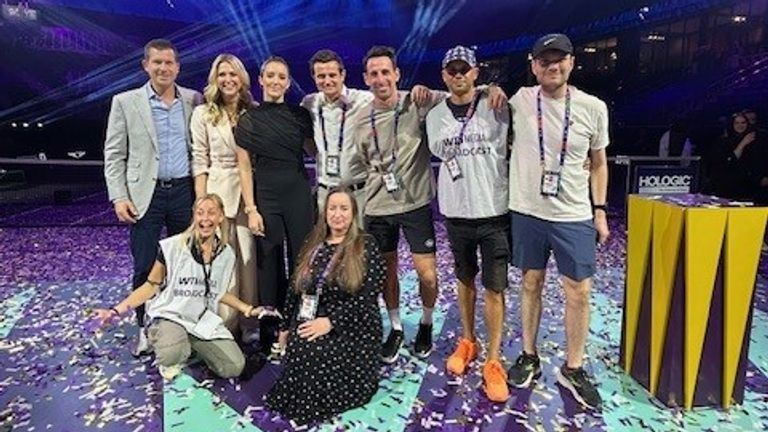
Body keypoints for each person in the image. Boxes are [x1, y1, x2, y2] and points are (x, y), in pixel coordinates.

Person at [506, 33, 609, 410]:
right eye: (544, 60)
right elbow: (471, 95)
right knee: (531, 283)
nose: (553, 65)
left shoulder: (593, 107)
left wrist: (599, 211)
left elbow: (598, 163)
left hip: (574, 214)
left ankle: (574, 366)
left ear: (572, 62)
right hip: (528, 211)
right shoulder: (517, 100)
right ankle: (529, 354)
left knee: (578, 292)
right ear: (533, 65)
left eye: (560, 58)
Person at [92, 194, 278, 380]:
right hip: (171, 315)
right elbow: (150, 286)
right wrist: (115, 311)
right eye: (200, 213)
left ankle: (191, 345)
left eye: (211, 213)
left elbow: (218, 292)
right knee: (171, 354)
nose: (205, 219)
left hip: (200, 321)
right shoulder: (173, 247)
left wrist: (249, 309)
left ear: (221, 217)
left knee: (233, 367)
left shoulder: (226, 254)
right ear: (194, 216)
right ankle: (168, 341)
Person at [103, 38, 200, 357]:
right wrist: (119, 197)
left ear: (178, 66)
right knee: (145, 266)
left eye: (169, 62)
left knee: (185, 265)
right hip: (145, 196)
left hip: (184, 193)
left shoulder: (193, 99)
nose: (163, 68)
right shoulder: (125, 102)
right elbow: (114, 154)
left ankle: (182, 327)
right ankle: (146, 328)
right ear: (145, 65)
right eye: (157, 62)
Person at [425, 45, 511, 402]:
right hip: (457, 212)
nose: (459, 75)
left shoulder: (499, 106)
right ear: (444, 75)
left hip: (493, 212)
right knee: (464, 280)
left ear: (476, 72)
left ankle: (493, 360)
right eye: (452, 70)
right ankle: (468, 341)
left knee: (494, 288)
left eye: (465, 69)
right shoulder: (433, 116)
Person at [265, 187, 385, 425]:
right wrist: (285, 326)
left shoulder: (366, 245)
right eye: (332, 208)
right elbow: (295, 286)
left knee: (316, 352)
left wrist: (331, 323)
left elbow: (367, 298)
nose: (337, 214)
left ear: (353, 213)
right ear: (324, 212)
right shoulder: (313, 242)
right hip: (316, 313)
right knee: (300, 343)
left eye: (344, 208)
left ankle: (317, 402)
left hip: (354, 323)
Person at [234, 56, 315, 356]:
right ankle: (272, 326)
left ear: (288, 81)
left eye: (282, 77)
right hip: (265, 195)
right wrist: (251, 208)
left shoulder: (300, 116)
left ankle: (299, 322)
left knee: (301, 259)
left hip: (297, 192)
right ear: (261, 80)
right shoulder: (248, 119)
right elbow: (244, 167)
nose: (276, 81)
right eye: (271, 76)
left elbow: (316, 151)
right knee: (268, 261)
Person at [300, 49, 432, 221]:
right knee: (328, 245)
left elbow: (392, 97)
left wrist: (417, 90)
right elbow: (306, 139)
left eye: (332, 75)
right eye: (321, 76)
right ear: (314, 78)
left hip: (359, 192)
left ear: (343, 75)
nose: (327, 81)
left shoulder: (364, 99)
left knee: (361, 245)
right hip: (326, 193)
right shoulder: (309, 103)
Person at [191, 54, 258, 335]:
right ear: (215, 80)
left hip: (251, 195)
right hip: (217, 194)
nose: (228, 80)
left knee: (249, 260)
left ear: (242, 78)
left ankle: (250, 321)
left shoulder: (254, 111)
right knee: (222, 262)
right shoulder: (203, 114)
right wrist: (203, 206)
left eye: (233, 74)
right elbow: (199, 159)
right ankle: (225, 324)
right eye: (222, 75)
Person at [703, 112, 756, 199]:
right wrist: (743, 144)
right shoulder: (722, 142)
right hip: (726, 184)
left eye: (743, 122)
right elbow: (728, 161)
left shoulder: (754, 140)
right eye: (737, 123)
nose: (740, 125)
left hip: (748, 185)